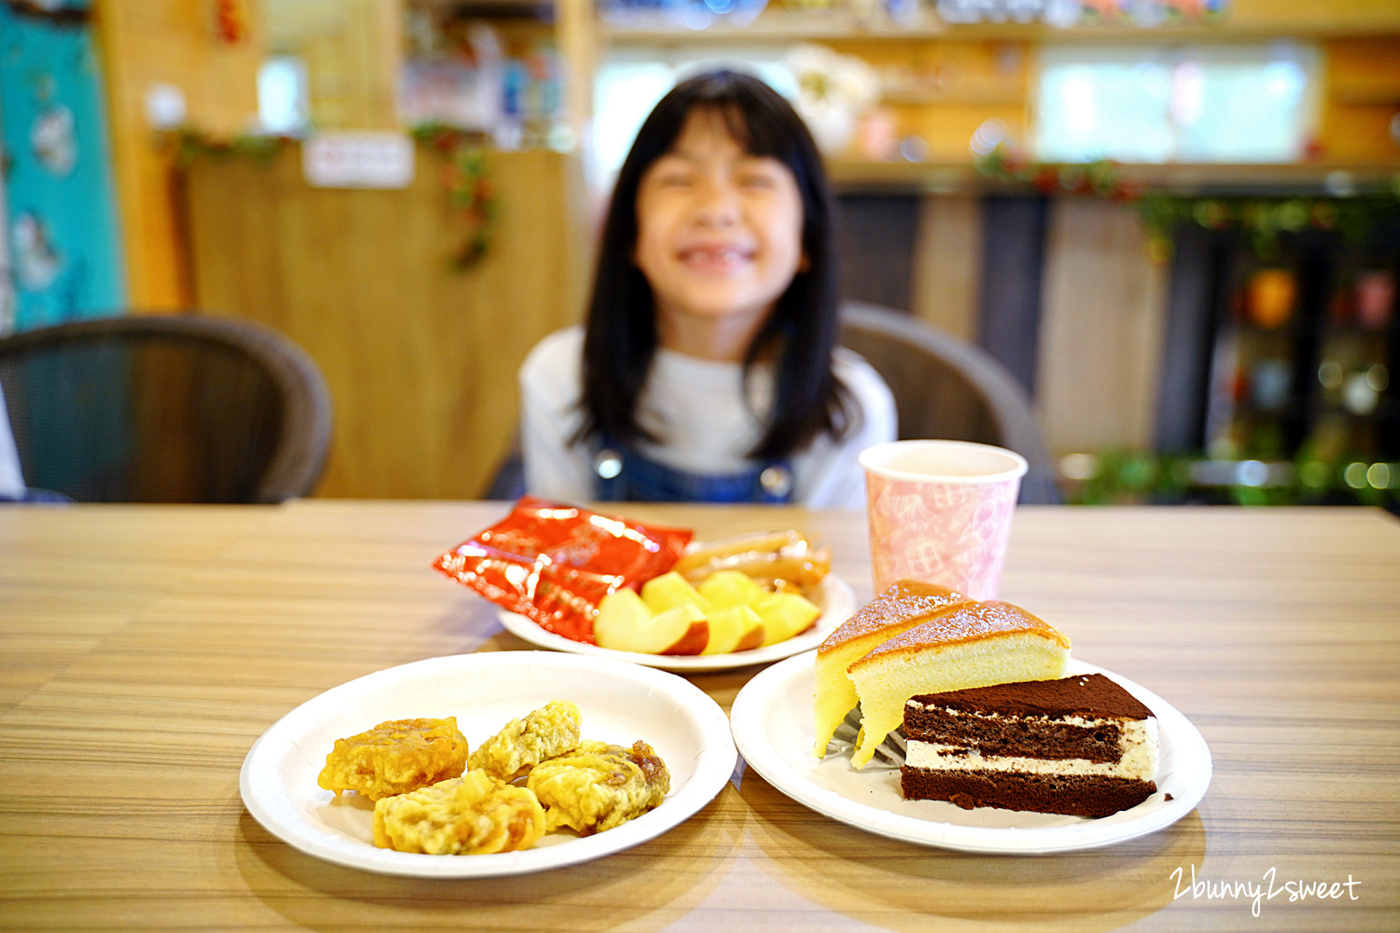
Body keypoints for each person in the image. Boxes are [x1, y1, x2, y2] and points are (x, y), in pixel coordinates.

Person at [519, 69, 895, 508]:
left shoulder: (851, 412)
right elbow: (566, 568)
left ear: (806, 241)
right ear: (630, 234)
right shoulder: (562, 378)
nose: (715, 210)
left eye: (754, 180)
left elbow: (828, 576)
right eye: (678, 179)